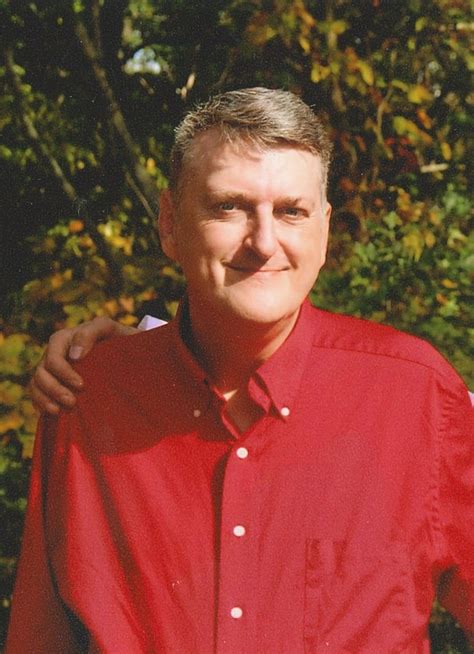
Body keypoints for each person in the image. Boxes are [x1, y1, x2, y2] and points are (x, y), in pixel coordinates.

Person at [7, 87, 474, 653]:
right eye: (229, 206)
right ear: (169, 224)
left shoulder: (417, 397)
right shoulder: (88, 394)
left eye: (291, 212)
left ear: (324, 229)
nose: (264, 242)